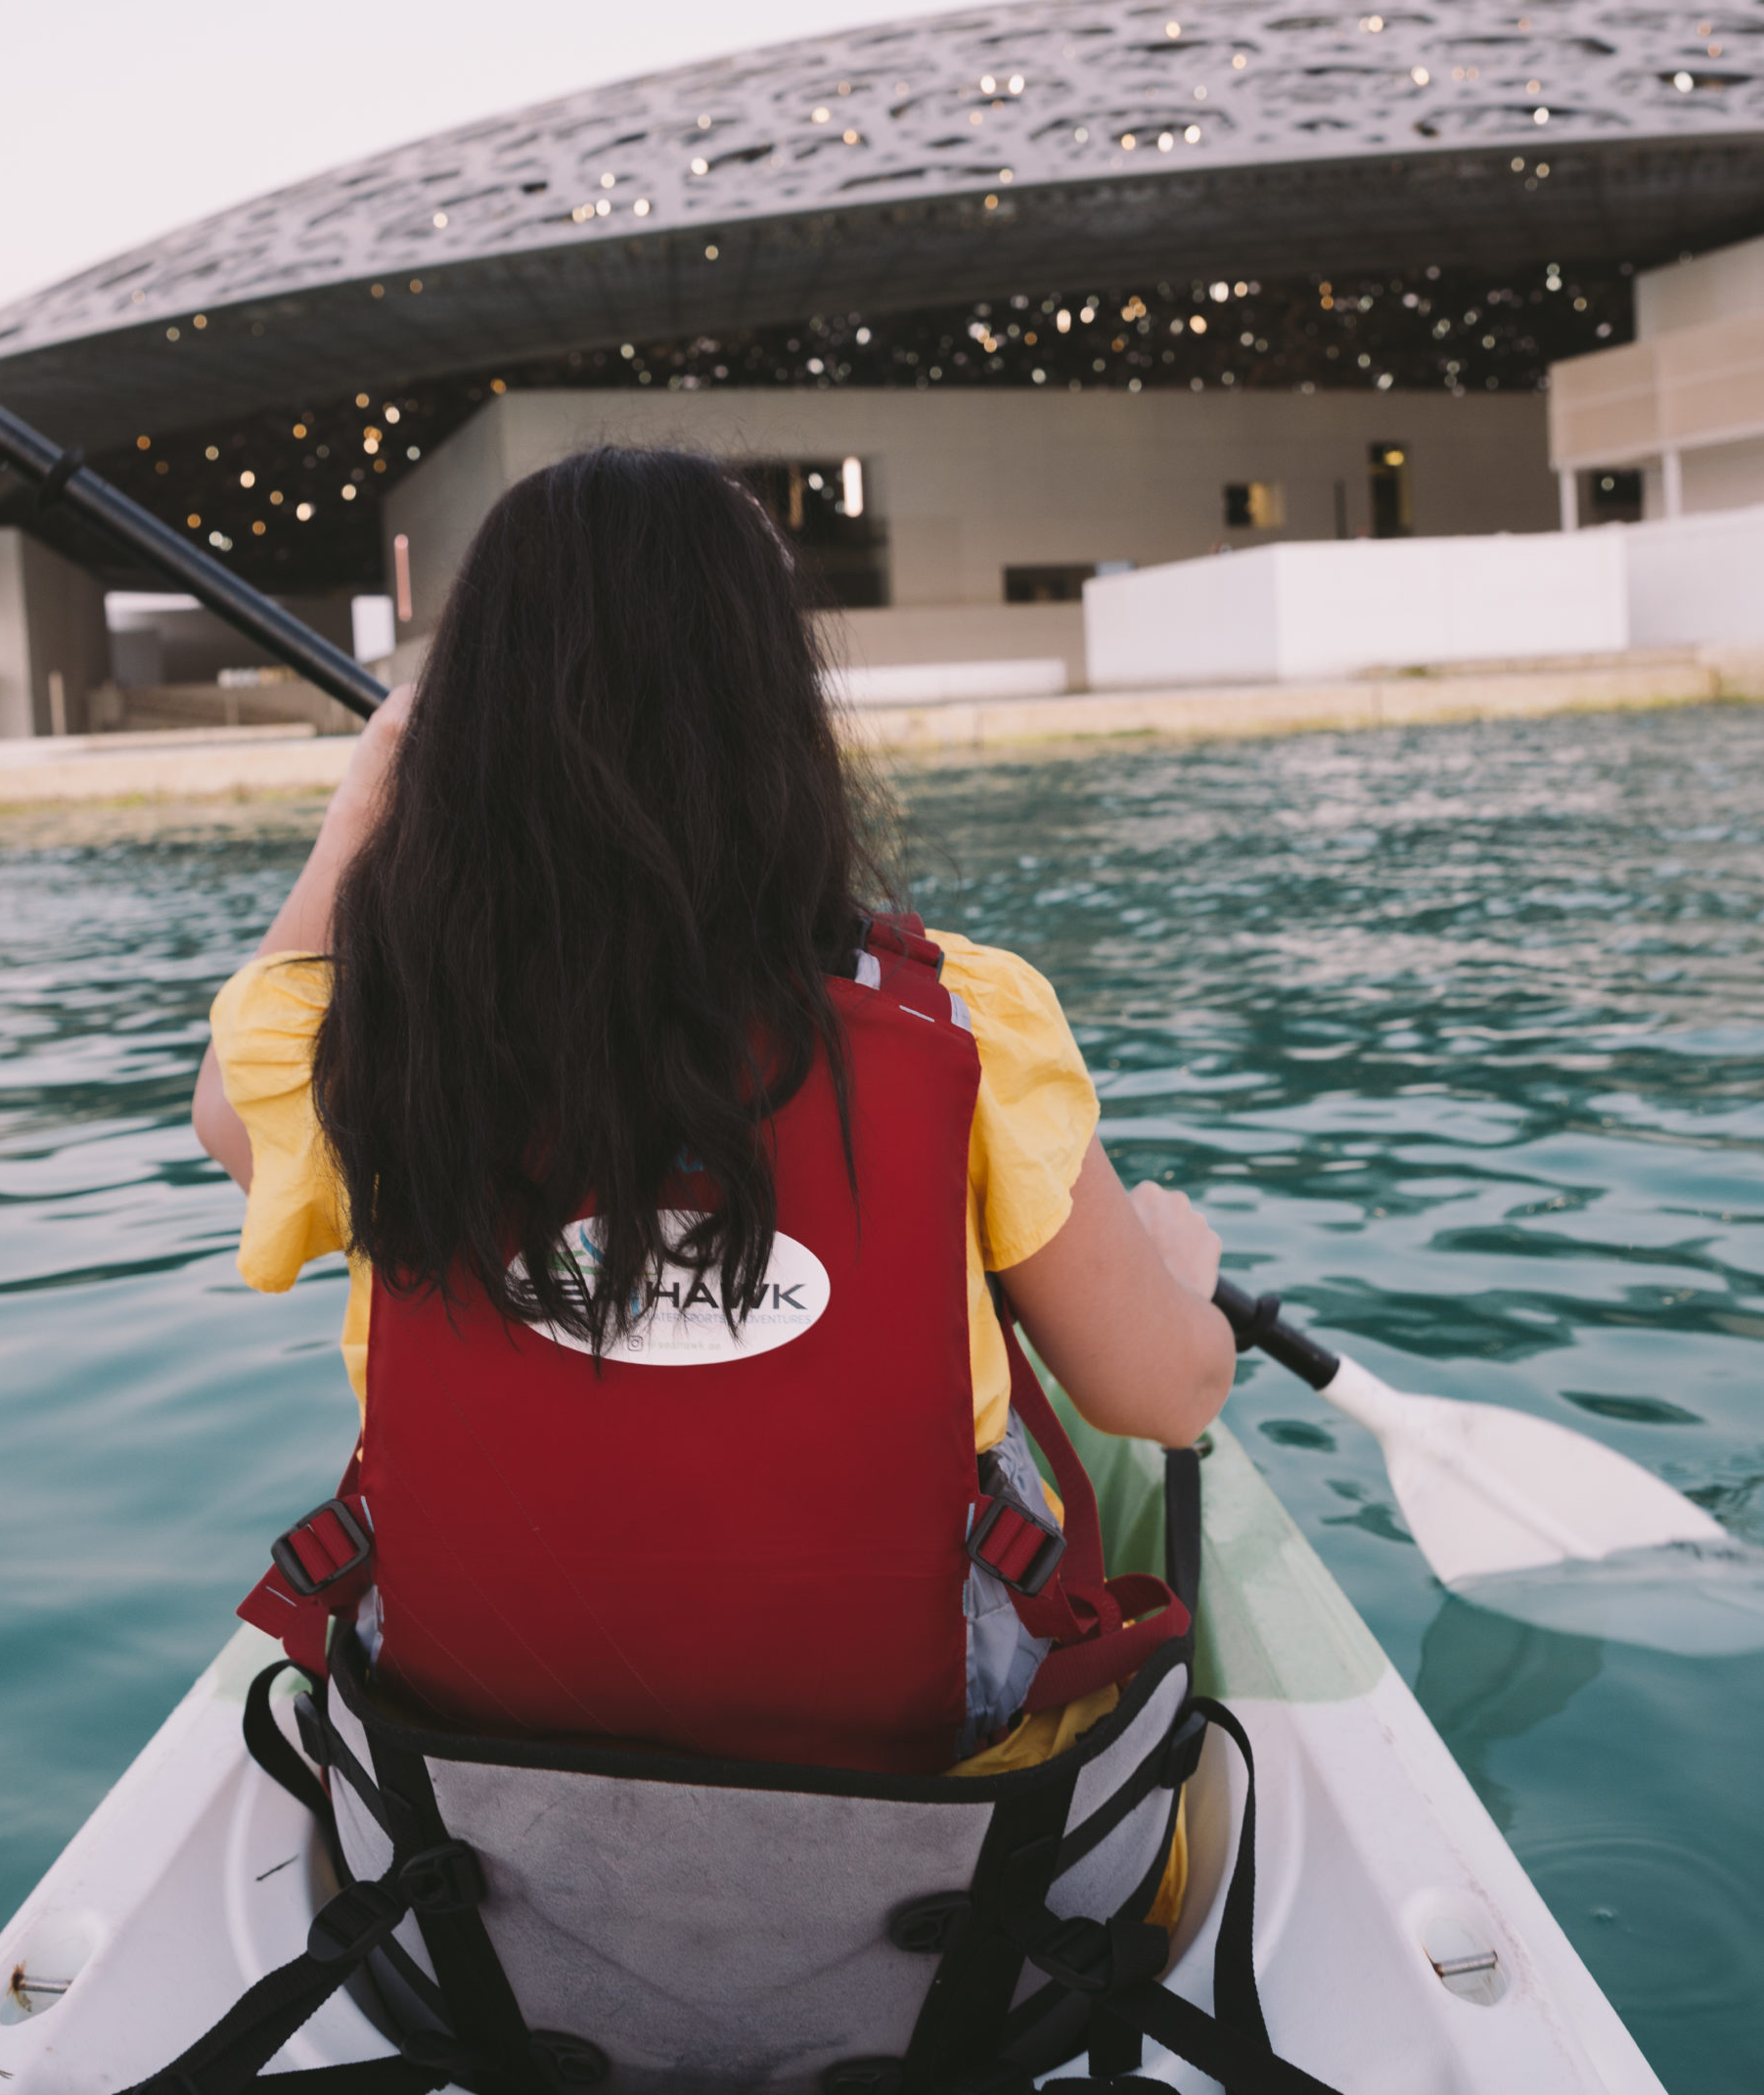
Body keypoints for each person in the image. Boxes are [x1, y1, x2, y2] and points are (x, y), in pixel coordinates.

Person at [192, 446, 1234, 1785]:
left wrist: (360, 810)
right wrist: (1178, 1280)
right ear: (779, 715)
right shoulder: (967, 1022)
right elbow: (1163, 1394)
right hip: (906, 1738)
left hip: (478, 1748)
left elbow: (230, 1111)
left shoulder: (371, 1049)